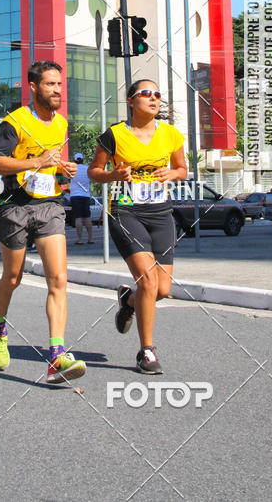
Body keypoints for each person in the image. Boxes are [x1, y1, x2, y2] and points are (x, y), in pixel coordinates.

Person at [0, 60, 86, 385]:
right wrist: (36, 161)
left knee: (58, 279)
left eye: (59, 84)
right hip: (14, 206)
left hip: (49, 205)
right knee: (12, 278)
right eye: (50, 84)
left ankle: (57, 356)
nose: (57, 90)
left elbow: (51, 164)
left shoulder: (60, 125)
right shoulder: (15, 121)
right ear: (33, 87)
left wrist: (61, 169)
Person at [88, 79, 187, 375]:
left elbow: (183, 169)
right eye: (146, 93)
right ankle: (147, 351)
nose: (154, 98)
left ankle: (128, 300)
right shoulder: (115, 135)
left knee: (163, 289)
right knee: (148, 282)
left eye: (157, 94)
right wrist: (113, 174)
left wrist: (172, 174)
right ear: (131, 101)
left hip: (161, 213)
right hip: (126, 212)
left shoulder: (171, 135)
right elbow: (94, 172)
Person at [69, 152, 93, 245]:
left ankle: (80, 239)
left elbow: (66, 179)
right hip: (86, 195)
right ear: (82, 159)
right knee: (87, 217)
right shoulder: (88, 169)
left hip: (75, 196)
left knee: (78, 218)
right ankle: (90, 239)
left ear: (74, 160)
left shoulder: (72, 169)